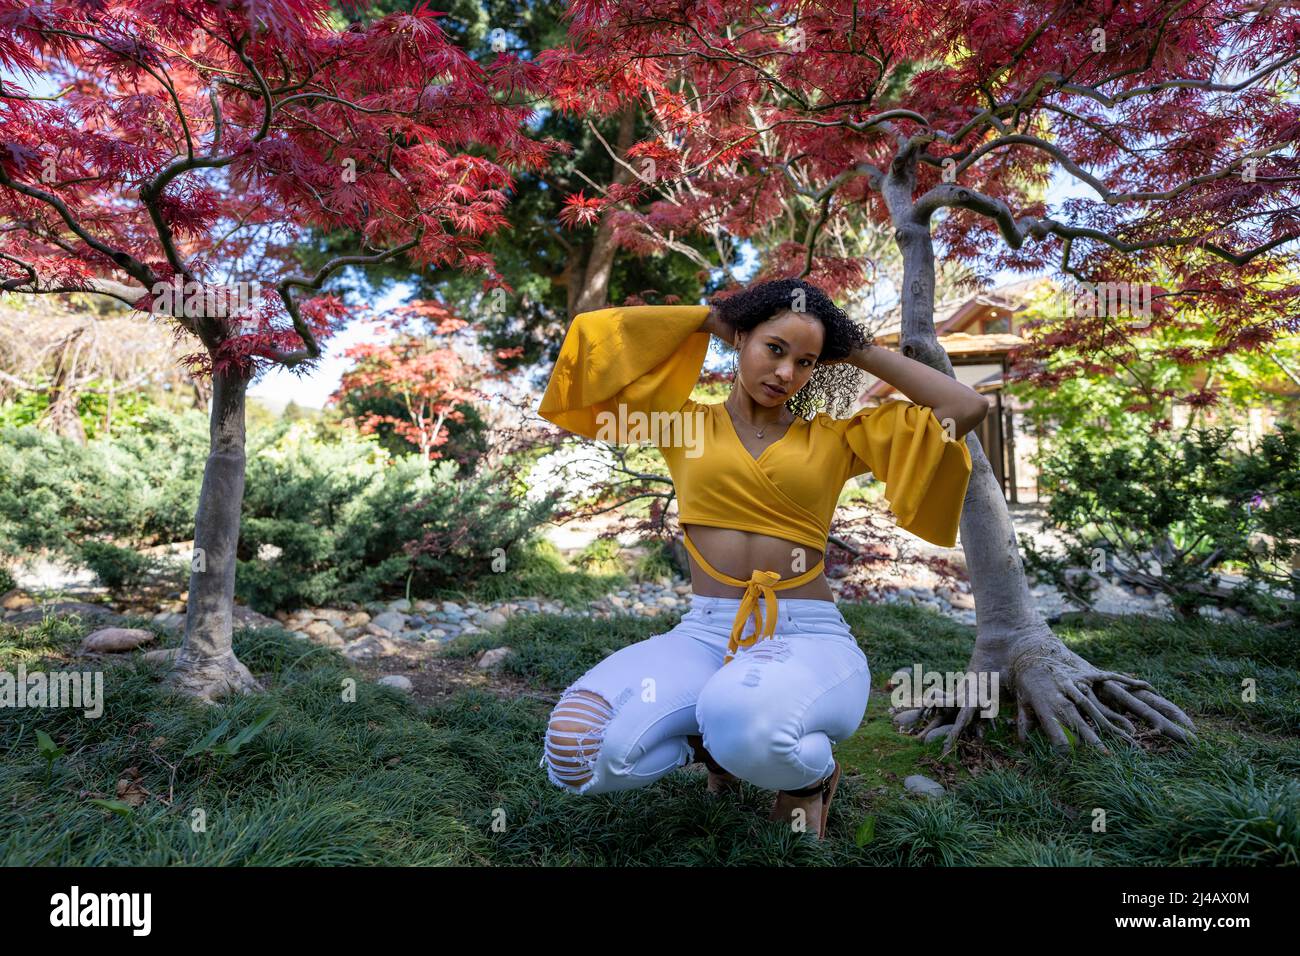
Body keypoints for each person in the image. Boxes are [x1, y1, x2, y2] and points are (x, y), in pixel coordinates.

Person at [534, 277, 986, 840]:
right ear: (742, 339)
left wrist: (857, 348)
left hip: (808, 639)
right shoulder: (681, 426)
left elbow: (963, 405)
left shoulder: (838, 438)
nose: (785, 373)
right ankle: (713, 751)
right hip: (704, 634)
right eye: (774, 349)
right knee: (577, 747)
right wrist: (707, 319)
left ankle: (806, 780)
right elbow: (592, 343)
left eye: (805, 361)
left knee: (746, 722)